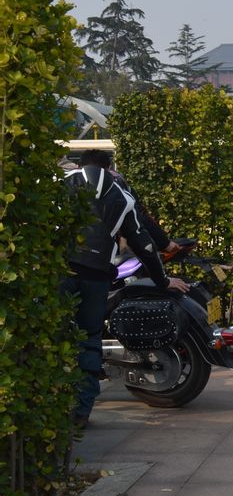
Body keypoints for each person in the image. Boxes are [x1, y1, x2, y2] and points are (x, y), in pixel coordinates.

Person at [63, 153, 189, 429]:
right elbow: (144, 245)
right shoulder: (122, 196)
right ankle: (81, 412)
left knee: (50, 336)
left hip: (62, 270)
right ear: (110, 168)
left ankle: (49, 407)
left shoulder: (61, 183)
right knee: (89, 340)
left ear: (79, 164)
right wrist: (162, 281)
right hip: (97, 275)